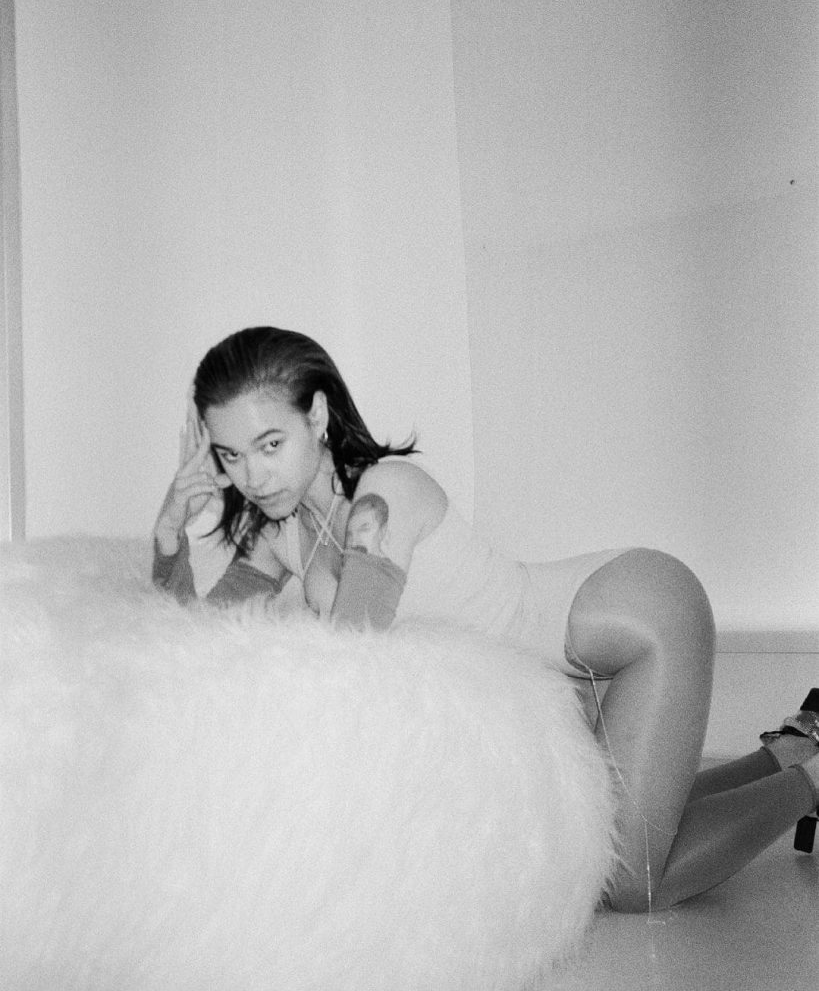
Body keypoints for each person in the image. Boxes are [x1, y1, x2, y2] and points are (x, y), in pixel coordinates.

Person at [153, 325, 819, 913]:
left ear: (318, 415)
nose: (252, 476)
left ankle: (813, 782)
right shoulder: (282, 532)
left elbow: (354, 657)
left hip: (635, 619)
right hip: (563, 678)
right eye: (230, 455)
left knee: (630, 881)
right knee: (628, 827)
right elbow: (196, 641)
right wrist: (168, 536)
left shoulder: (383, 494)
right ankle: (791, 752)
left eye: (269, 444)